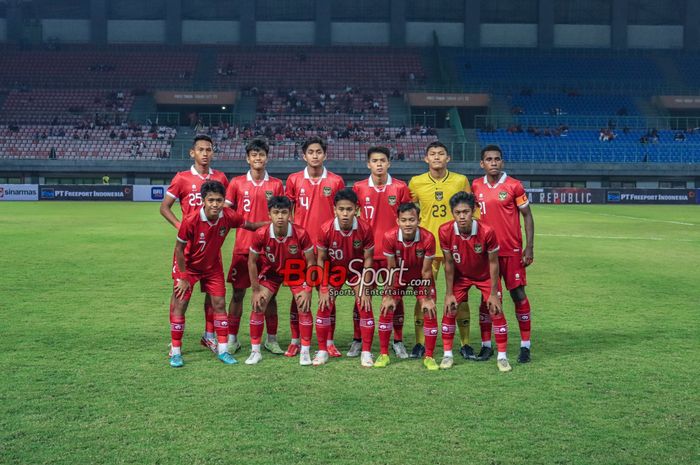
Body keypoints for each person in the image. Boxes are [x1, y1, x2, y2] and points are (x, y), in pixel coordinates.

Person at [168, 181, 266, 368]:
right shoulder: (190, 220)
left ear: (224, 201)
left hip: (212, 267)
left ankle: (222, 350)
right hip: (188, 266)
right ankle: (176, 351)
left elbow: (252, 226)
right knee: (181, 304)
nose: (215, 204)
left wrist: (274, 222)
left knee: (220, 304)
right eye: (211, 200)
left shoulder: (228, 216)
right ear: (203, 201)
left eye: (219, 200)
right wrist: (182, 276)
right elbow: (179, 249)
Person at [160, 135, 229, 354]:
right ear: (193, 153)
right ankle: (175, 342)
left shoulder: (221, 178)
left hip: (211, 249)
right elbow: (164, 207)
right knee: (180, 293)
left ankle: (209, 337)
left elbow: (225, 211)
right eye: (201, 149)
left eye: (209, 149)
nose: (205, 153)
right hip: (188, 249)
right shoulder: (182, 178)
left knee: (213, 294)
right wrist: (181, 226)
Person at [408, 141, 473, 360]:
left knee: (460, 297)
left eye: (441, 154)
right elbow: (407, 213)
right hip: (427, 249)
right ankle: (419, 343)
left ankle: (465, 343)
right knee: (422, 297)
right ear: (425, 159)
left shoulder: (460, 180)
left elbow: (472, 212)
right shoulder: (415, 183)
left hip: (457, 248)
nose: (437, 157)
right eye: (432, 154)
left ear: (448, 158)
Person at [224, 137, 285, 363]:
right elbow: (227, 212)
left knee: (270, 295)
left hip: (269, 249)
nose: (258, 158)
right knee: (238, 293)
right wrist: (245, 223)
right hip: (243, 247)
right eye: (254, 155)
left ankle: (271, 339)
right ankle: (233, 339)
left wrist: (261, 227)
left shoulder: (276, 184)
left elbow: (282, 214)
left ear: (267, 158)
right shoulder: (237, 183)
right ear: (247, 158)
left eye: (261, 155)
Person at [471, 145, 534, 363]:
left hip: (512, 251)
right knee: (487, 298)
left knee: (518, 294)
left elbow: (527, 215)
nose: (494, 162)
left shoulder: (514, 185)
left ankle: (525, 346)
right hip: (487, 253)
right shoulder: (476, 185)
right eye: (489, 159)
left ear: (502, 162)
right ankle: (486, 345)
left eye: (497, 159)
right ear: (482, 164)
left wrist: (529, 246)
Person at [284, 136, 345, 357]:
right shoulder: (293, 179)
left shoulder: (336, 181)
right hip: (300, 248)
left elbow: (342, 211)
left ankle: (329, 340)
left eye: (319, 151)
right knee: (298, 294)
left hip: (328, 249)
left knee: (328, 295)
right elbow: (287, 211)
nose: (315, 155)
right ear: (304, 155)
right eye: (311, 152)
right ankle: (295, 340)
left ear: (325, 154)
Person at [439, 192, 511, 372]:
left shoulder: (487, 231)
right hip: (461, 277)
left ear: (473, 211)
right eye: (457, 212)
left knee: (496, 310)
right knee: (450, 308)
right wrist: (449, 293)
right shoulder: (444, 231)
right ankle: (447, 355)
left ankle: (502, 357)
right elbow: (448, 263)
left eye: (466, 212)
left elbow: (494, 263)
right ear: (452, 213)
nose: (462, 216)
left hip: (486, 276)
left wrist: (493, 293)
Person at [352, 146, 412, 358]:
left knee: (396, 298)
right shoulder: (358, 188)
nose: (379, 164)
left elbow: (407, 220)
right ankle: (358, 339)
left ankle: (397, 340)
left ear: (389, 163)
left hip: (392, 255)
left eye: (383, 160)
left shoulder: (400, 187)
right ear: (368, 164)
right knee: (361, 297)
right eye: (375, 160)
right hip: (365, 254)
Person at [248, 196, 315, 366]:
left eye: (284, 212)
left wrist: (307, 289)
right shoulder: (261, 234)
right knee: (259, 304)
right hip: (271, 273)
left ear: (290, 214)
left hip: (296, 273)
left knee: (303, 305)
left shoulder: (300, 233)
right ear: (269, 214)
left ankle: (305, 351)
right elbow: (252, 261)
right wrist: (255, 290)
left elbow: (312, 263)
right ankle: (255, 352)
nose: (280, 217)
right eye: (276, 212)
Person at [314, 188, 375, 367]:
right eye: (341, 209)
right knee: (324, 305)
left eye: (349, 209)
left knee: (365, 305)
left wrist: (365, 287)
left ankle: (366, 352)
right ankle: (323, 351)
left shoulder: (365, 228)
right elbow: (321, 259)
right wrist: (324, 287)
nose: (345, 213)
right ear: (335, 209)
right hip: (334, 272)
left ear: (356, 209)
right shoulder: (325, 229)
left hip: (358, 273)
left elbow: (369, 261)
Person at [379, 203, 438, 370]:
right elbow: (391, 268)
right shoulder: (389, 236)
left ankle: (430, 356)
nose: (408, 224)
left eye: (412, 220)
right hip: (398, 277)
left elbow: (426, 272)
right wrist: (389, 295)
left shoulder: (428, 238)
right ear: (397, 221)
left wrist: (426, 299)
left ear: (419, 220)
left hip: (421, 277)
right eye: (404, 220)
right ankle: (384, 354)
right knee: (387, 307)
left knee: (429, 309)